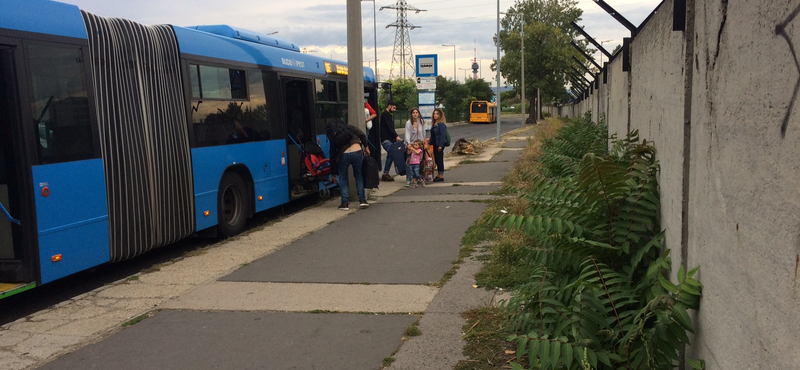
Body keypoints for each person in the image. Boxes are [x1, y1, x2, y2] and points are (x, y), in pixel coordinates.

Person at [328, 122, 371, 210]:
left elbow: (332, 155)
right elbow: (362, 135)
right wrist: (366, 147)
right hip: (357, 151)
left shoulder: (333, 135)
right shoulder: (350, 127)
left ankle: (345, 203)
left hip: (344, 154)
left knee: (343, 178)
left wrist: (333, 174)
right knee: (358, 175)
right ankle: (362, 200)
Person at [379, 100, 402, 181]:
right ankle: (385, 173)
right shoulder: (385, 115)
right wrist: (396, 136)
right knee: (391, 153)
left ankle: (386, 173)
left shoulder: (388, 115)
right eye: (394, 108)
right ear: (389, 106)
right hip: (386, 139)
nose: (394, 110)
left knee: (391, 154)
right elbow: (389, 128)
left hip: (389, 139)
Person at [403, 107, 426, 186]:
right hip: (412, 145)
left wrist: (425, 143)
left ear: (418, 114)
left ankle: (418, 177)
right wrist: (408, 144)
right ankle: (409, 178)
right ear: (411, 114)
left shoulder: (421, 122)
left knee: (419, 162)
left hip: (419, 144)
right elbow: (407, 134)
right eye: (413, 113)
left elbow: (423, 133)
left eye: (416, 112)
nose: (415, 114)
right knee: (409, 162)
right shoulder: (409, 123)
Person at [429, 108, 448, 182]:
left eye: (437, 114)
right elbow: (433, 135)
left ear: (440, 115)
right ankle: (439, 174)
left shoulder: (441, 125)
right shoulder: (434, 124)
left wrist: (441, 145)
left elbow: (442, 135)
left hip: (440, 144)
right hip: (435, 144)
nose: (435, 115)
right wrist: (429, 144)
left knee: (439, 159)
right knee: (436, 159)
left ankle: (441, 175)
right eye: (434, 114)